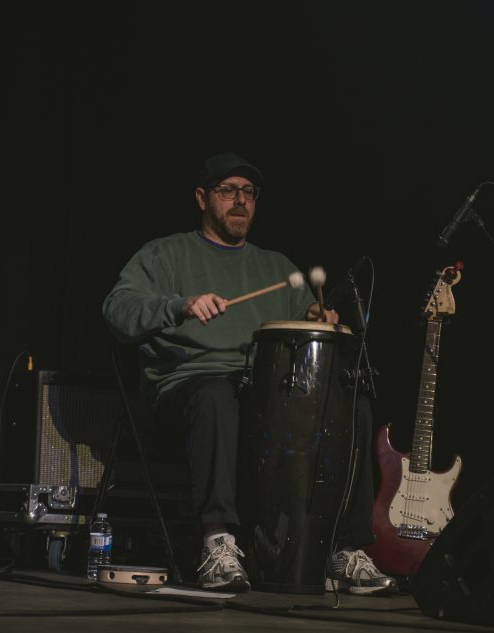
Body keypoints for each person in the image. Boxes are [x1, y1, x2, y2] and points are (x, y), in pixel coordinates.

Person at [102, 152, 395, 595]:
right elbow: (117, 310)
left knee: (350, 405)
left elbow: (304, 321)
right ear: (202, 198)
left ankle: (344, 548)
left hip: (263, 398)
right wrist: (179, 305)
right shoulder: (164, 254)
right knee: (217, 396)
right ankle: (217, 542)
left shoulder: (277, 267)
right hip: (190, 393)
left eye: (248, 192)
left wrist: (316, 317)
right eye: (227, 191)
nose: (240, 201)